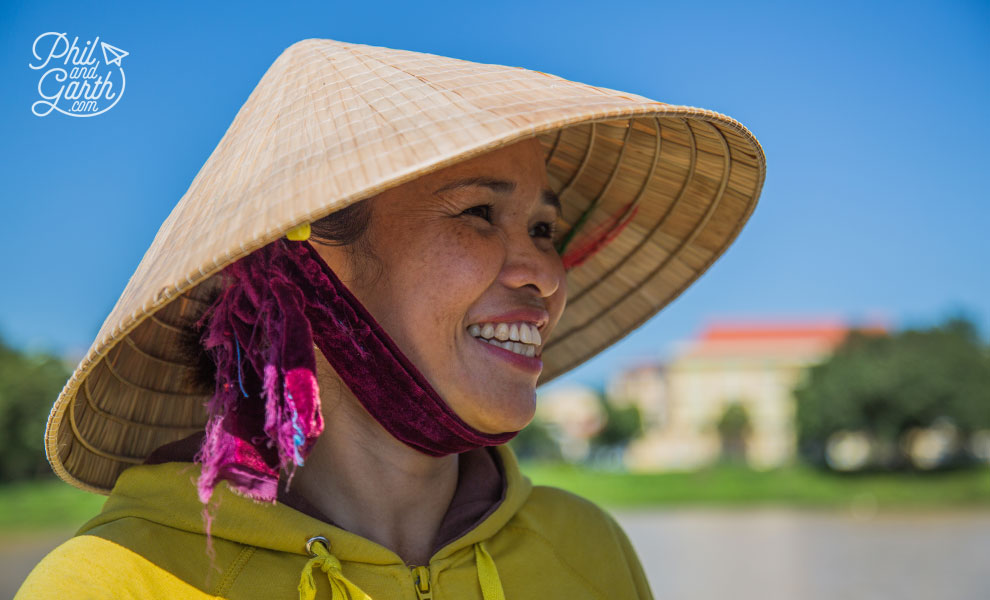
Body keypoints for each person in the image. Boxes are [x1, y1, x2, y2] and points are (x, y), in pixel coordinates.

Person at [16, 38, 765, 599]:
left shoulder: (586, 552)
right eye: (478, 214)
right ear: (308, 271)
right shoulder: (114, 582)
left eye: (542, 229)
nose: (544, 271)